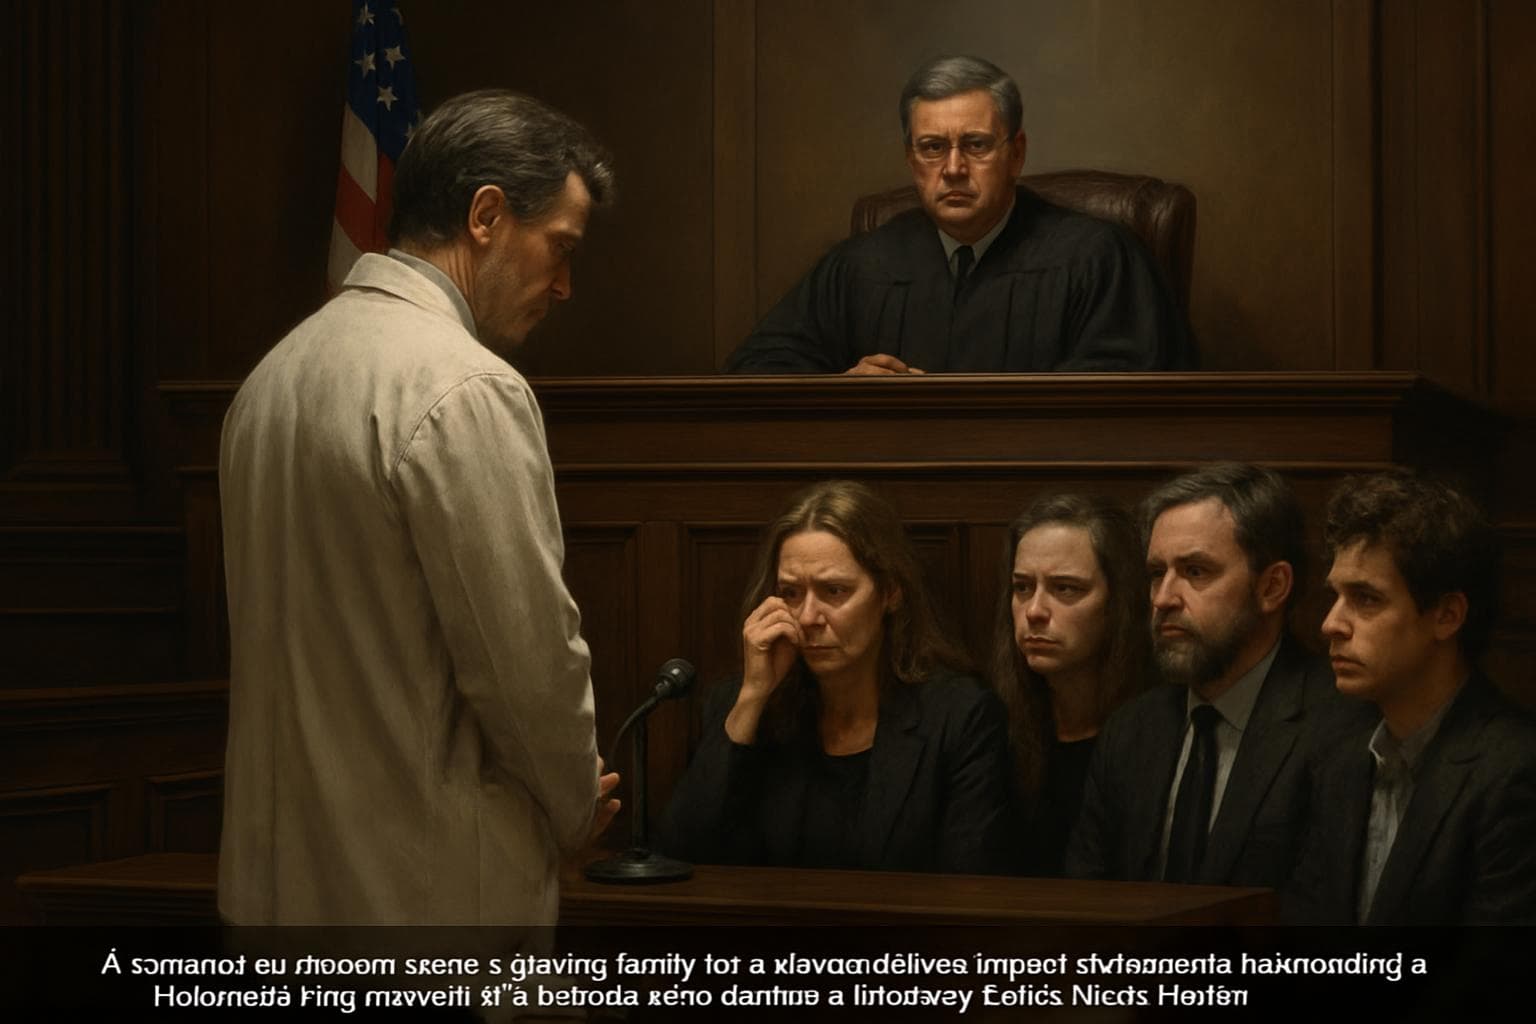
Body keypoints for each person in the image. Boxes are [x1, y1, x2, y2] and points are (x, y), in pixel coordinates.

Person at [218, 90, 619, 924]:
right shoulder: (465, 387)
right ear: (486, 216)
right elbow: (527, 666)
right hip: (426, 905)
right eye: (561, 247)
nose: (568, 283)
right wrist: (576, 806)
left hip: (276, 899)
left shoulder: (269, 381)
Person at [724, 55, 1192, 375]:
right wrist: (843, 389)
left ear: (1017, 154)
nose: (952, 168)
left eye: (976, 144)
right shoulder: (864, 265)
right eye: (932, 148)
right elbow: (760, 367)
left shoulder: (1096, 259)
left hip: (1044, 503)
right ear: (911, 161)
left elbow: (1130, 404)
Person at [658, 480, 1017, 873]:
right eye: (791, 593)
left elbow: (971, 884)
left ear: (890, 592)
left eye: (834, 591)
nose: (808, 617)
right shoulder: (741, 704)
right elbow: (681, 855)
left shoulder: (959, 716)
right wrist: (753, 697)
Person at [1065, 463, 1356, 886]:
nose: (1163, 598)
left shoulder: (1339, 727)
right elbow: (1087, 898)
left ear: (1272, 587)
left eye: (1195, 572)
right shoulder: (1131, 731)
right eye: (1156, 574)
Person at [1284, 471, 1536, 924]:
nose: (1330, 624)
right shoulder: (1336, 753)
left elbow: (1495, 980)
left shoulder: (1515, 773)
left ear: (1446, 616)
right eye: (1335, 596)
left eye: (1365, 599)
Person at [991, 494, 1154, 876]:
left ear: (1118, 603)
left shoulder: (1156, 734)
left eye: (1066, 589)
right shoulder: (993, 728)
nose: (1034, 611)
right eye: (1022, 587)